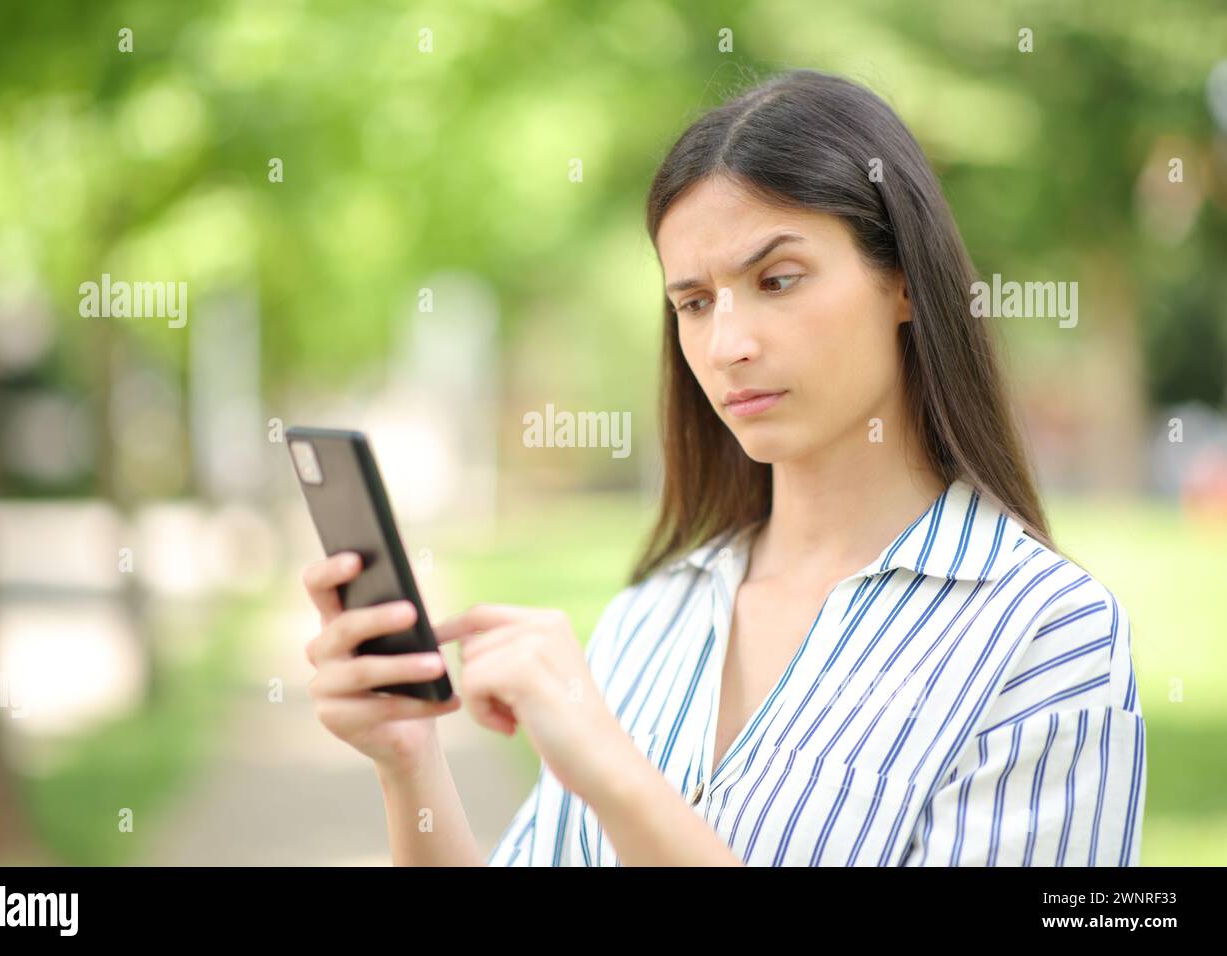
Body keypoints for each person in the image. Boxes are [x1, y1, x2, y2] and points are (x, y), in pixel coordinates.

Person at [301, 68, 1147, 866]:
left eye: (778, 280)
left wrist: (615, 776)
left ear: (904, 285)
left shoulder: (1047, 634)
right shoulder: (650, 615)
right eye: (694, 303)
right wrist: (408, 762)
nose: (727, 345)